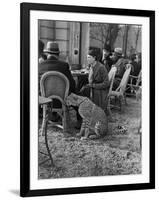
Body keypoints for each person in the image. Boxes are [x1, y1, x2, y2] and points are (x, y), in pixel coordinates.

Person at [39, 41, 81, 125]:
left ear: (47, 54)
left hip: (45, 100)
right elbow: (72, 85)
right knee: (79, 97)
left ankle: (47, 116)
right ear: (58, 54)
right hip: (62, 100)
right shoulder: (64, 65)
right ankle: (79, 122)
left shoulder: (39, 66)